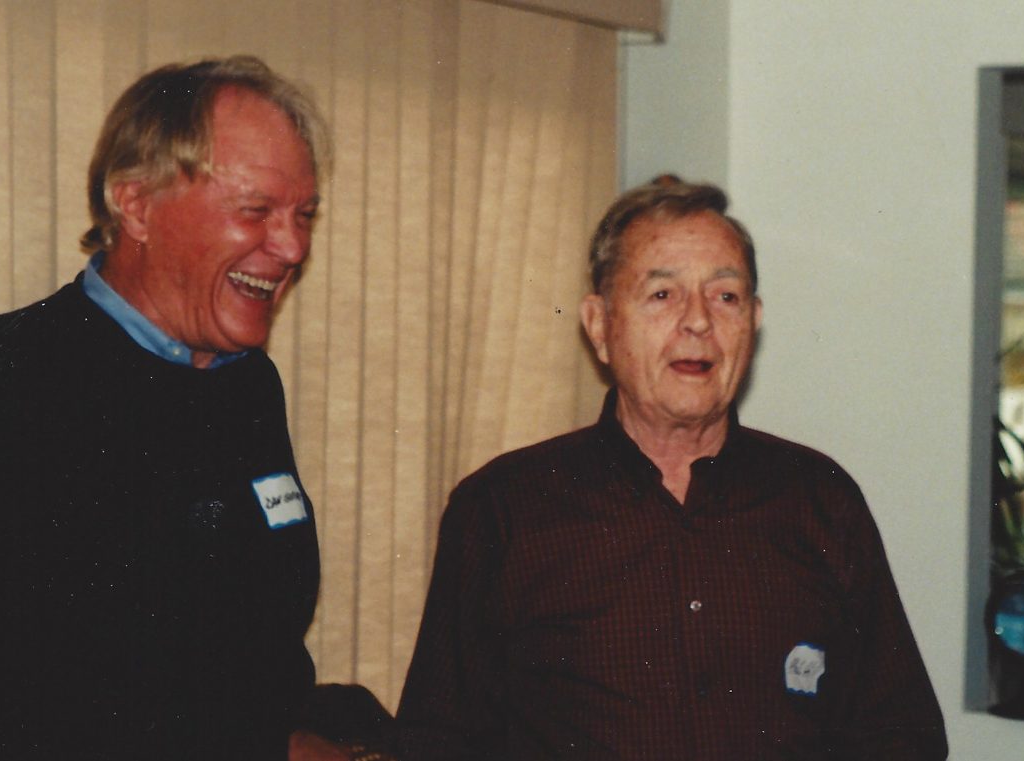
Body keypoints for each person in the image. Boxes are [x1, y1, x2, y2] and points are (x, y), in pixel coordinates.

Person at [393, 180, 947, 759]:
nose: (698, 323)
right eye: (662, 295)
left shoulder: (821, 502)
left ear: (753, 322)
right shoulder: (505, 509)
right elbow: (438, 740)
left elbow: (901, 734)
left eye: (725, 297)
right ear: (600, 325)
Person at [0, 56, 338, 759]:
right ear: (136, 204)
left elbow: (253, 644)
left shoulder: (247, 384)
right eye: (257, 211)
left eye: (304, 215)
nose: (293, 246)